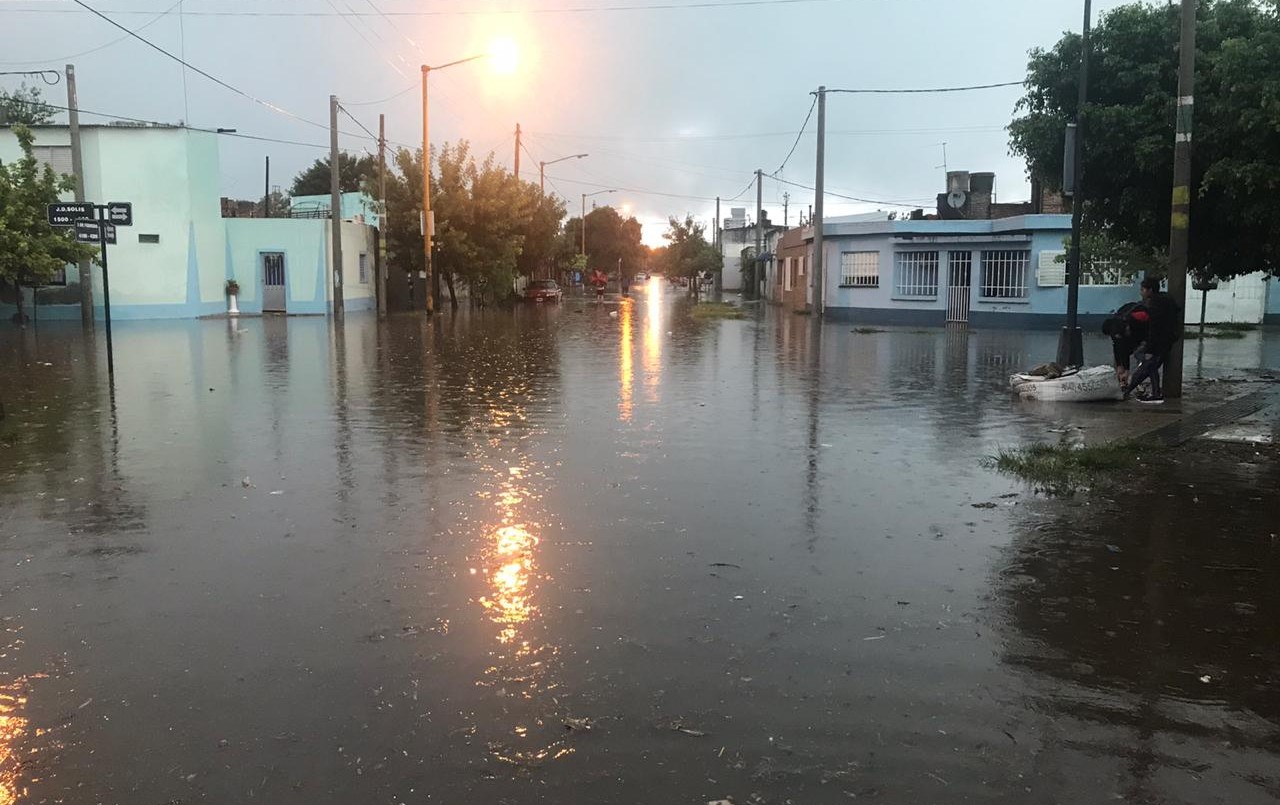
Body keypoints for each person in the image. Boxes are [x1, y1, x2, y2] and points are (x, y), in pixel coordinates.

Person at [1122, 277, 1182, 404]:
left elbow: (1154, 326)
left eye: (1143, 289)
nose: (1141, 292)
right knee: (1150, 366)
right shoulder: (1166, 299)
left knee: (1148, 365)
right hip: (1168, 339)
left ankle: (1132, 391)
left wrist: (1150, 345)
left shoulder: (1155, 303)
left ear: (1150, 290)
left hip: (1159, 341)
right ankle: (1154, 392)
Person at [1102, 301, 1150, 387]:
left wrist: (1127, 370)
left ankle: (1138, 380)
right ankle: (1122, 379)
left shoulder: (1136, 318)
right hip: (1133, 336)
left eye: (1127, 331)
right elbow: (1118, 348)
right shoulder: (1116, 331)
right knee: (1120, 356)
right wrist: (1120, 366)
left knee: (1140, 355)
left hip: (1144, 332)